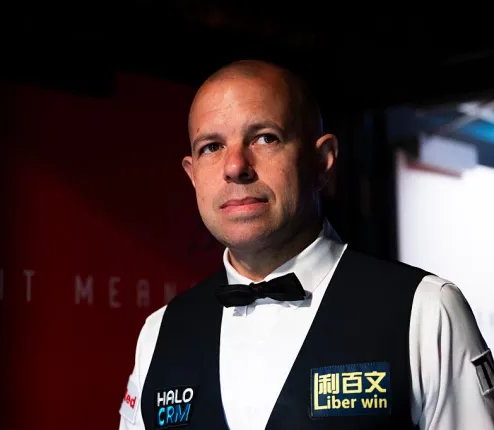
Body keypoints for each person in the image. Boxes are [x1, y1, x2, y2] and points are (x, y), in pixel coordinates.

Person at [118, 60, 494, 429]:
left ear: (322, 161)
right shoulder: (159, 334)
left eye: (265, 138)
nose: (234, 166)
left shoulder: (425, 311)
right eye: (212, 146)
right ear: (193, 176)